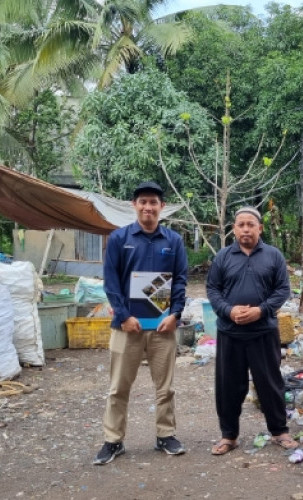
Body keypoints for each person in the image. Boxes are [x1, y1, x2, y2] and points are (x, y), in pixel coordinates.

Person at [93, 181, 188, 465]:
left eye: (154, 202)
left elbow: (181, 281)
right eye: (143, 202)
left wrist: (175, 315)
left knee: (165, 387)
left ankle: (165, 435)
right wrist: (123, 316)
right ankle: (113, 440)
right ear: (134, 206)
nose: (148, 207)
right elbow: (111, 283)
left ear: (162, 207)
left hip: (162, 327)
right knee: (118, 388)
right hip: (127, 328)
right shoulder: (119, 239)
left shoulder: (174, 241)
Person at [206, 206, 297, 455]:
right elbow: (213, 289)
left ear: (260, 228)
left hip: (263, 332)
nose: (245, 229)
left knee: (270, 383)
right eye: (241, 225)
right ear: (234, 229)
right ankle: (229, 436)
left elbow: (282, 290)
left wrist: (260, 310)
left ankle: (279, 431)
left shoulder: (274, 256)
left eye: (250, 224)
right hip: (230, 332)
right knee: (228, 386)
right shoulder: (223, 257)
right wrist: (228, 310)